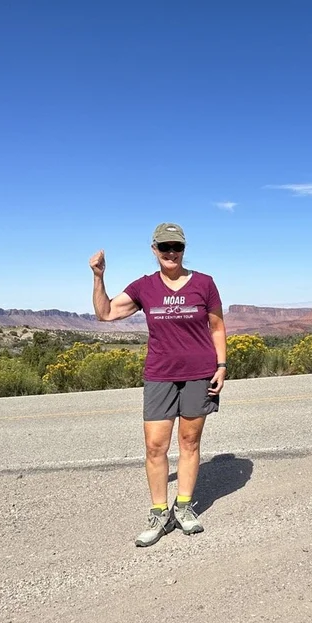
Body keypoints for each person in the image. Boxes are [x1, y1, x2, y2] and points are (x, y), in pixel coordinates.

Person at [90, 223, 227, 547]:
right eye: (164, 247)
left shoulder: (205, 284)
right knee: (155, 446)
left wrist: (222, 365)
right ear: (154, 249)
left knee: (190, 442)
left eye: (176, 247)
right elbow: (105, 313)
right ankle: (159, 513)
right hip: (159, 375)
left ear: (183, 249)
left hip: (199, 372)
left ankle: (184, 507)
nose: (170, 253)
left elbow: (218, 328)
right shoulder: (145, 287)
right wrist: (98, 277)